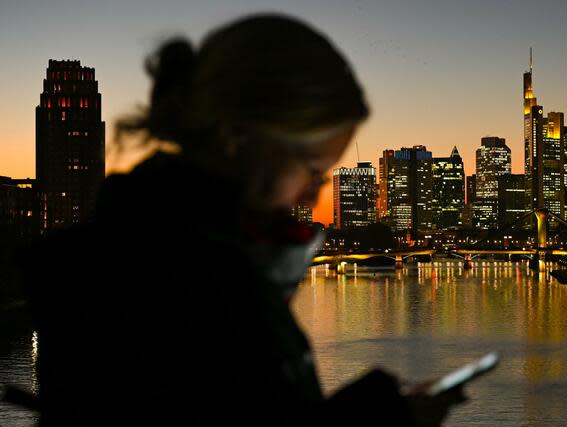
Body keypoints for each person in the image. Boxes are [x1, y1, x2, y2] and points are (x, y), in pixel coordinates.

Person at [21, 13, 465, 426]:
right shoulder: (154, 285)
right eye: (312, 169)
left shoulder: (200, 255)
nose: (317, 191)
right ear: (236, 135)